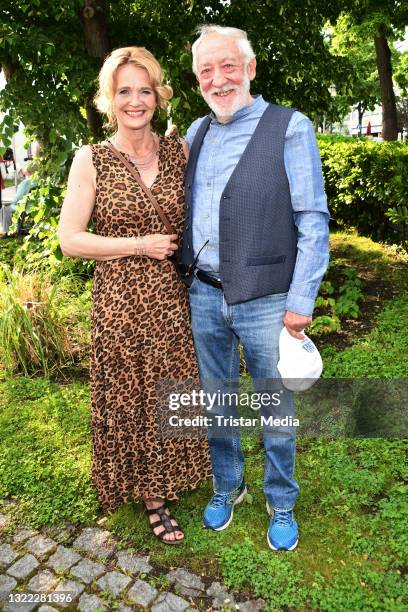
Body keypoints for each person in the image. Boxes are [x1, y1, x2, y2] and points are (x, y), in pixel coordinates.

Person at [181, 25, 330, 550]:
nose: (217, 79)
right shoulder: (194, 133)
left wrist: (300, 301)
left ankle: (281, 499)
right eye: (205, 71)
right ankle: (229, 485)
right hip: (202, 293)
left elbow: (312, 219)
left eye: (226, 66)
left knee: (275, 406)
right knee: (217, 399)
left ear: (249, 67)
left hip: (268, 298)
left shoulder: (290, 127)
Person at [58, 46, 211, 544]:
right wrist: (139, 245)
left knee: (170, 386)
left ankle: (175, 473)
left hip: (171, 298)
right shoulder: (92, 159)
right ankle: (151, 495)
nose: (135, 100)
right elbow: (71, 239)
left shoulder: (179, 151)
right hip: (120, 299)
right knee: (132, 395)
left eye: (144, 90)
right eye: (124, 90)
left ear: (158, 96)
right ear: (110, 98)